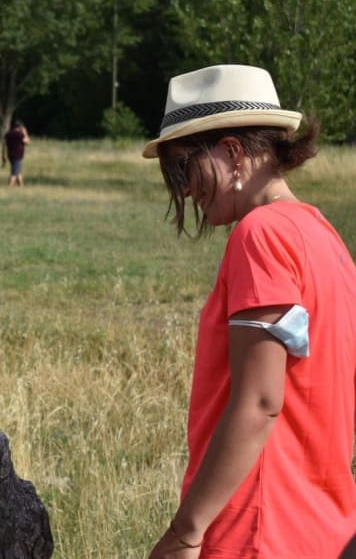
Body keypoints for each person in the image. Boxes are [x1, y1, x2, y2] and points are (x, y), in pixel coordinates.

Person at [143, 64, 356, 558]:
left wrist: (186, 532)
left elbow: (260, 402)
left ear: (233, 152)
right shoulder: (325, 239)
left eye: (183, 168)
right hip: (322, 529)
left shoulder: (261, 235)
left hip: (258, 530)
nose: (186, 190)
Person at [2, 119, 30, 187]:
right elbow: (27, 142)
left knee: (18, 173)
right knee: (14, 174)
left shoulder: (8, 134)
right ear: (20, 127)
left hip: (10, 155)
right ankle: (9, 187)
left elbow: (4, 145)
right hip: (18, 156)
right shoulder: (19, 134)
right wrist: (25, 133)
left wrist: (3, 156)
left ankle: (21, 187)